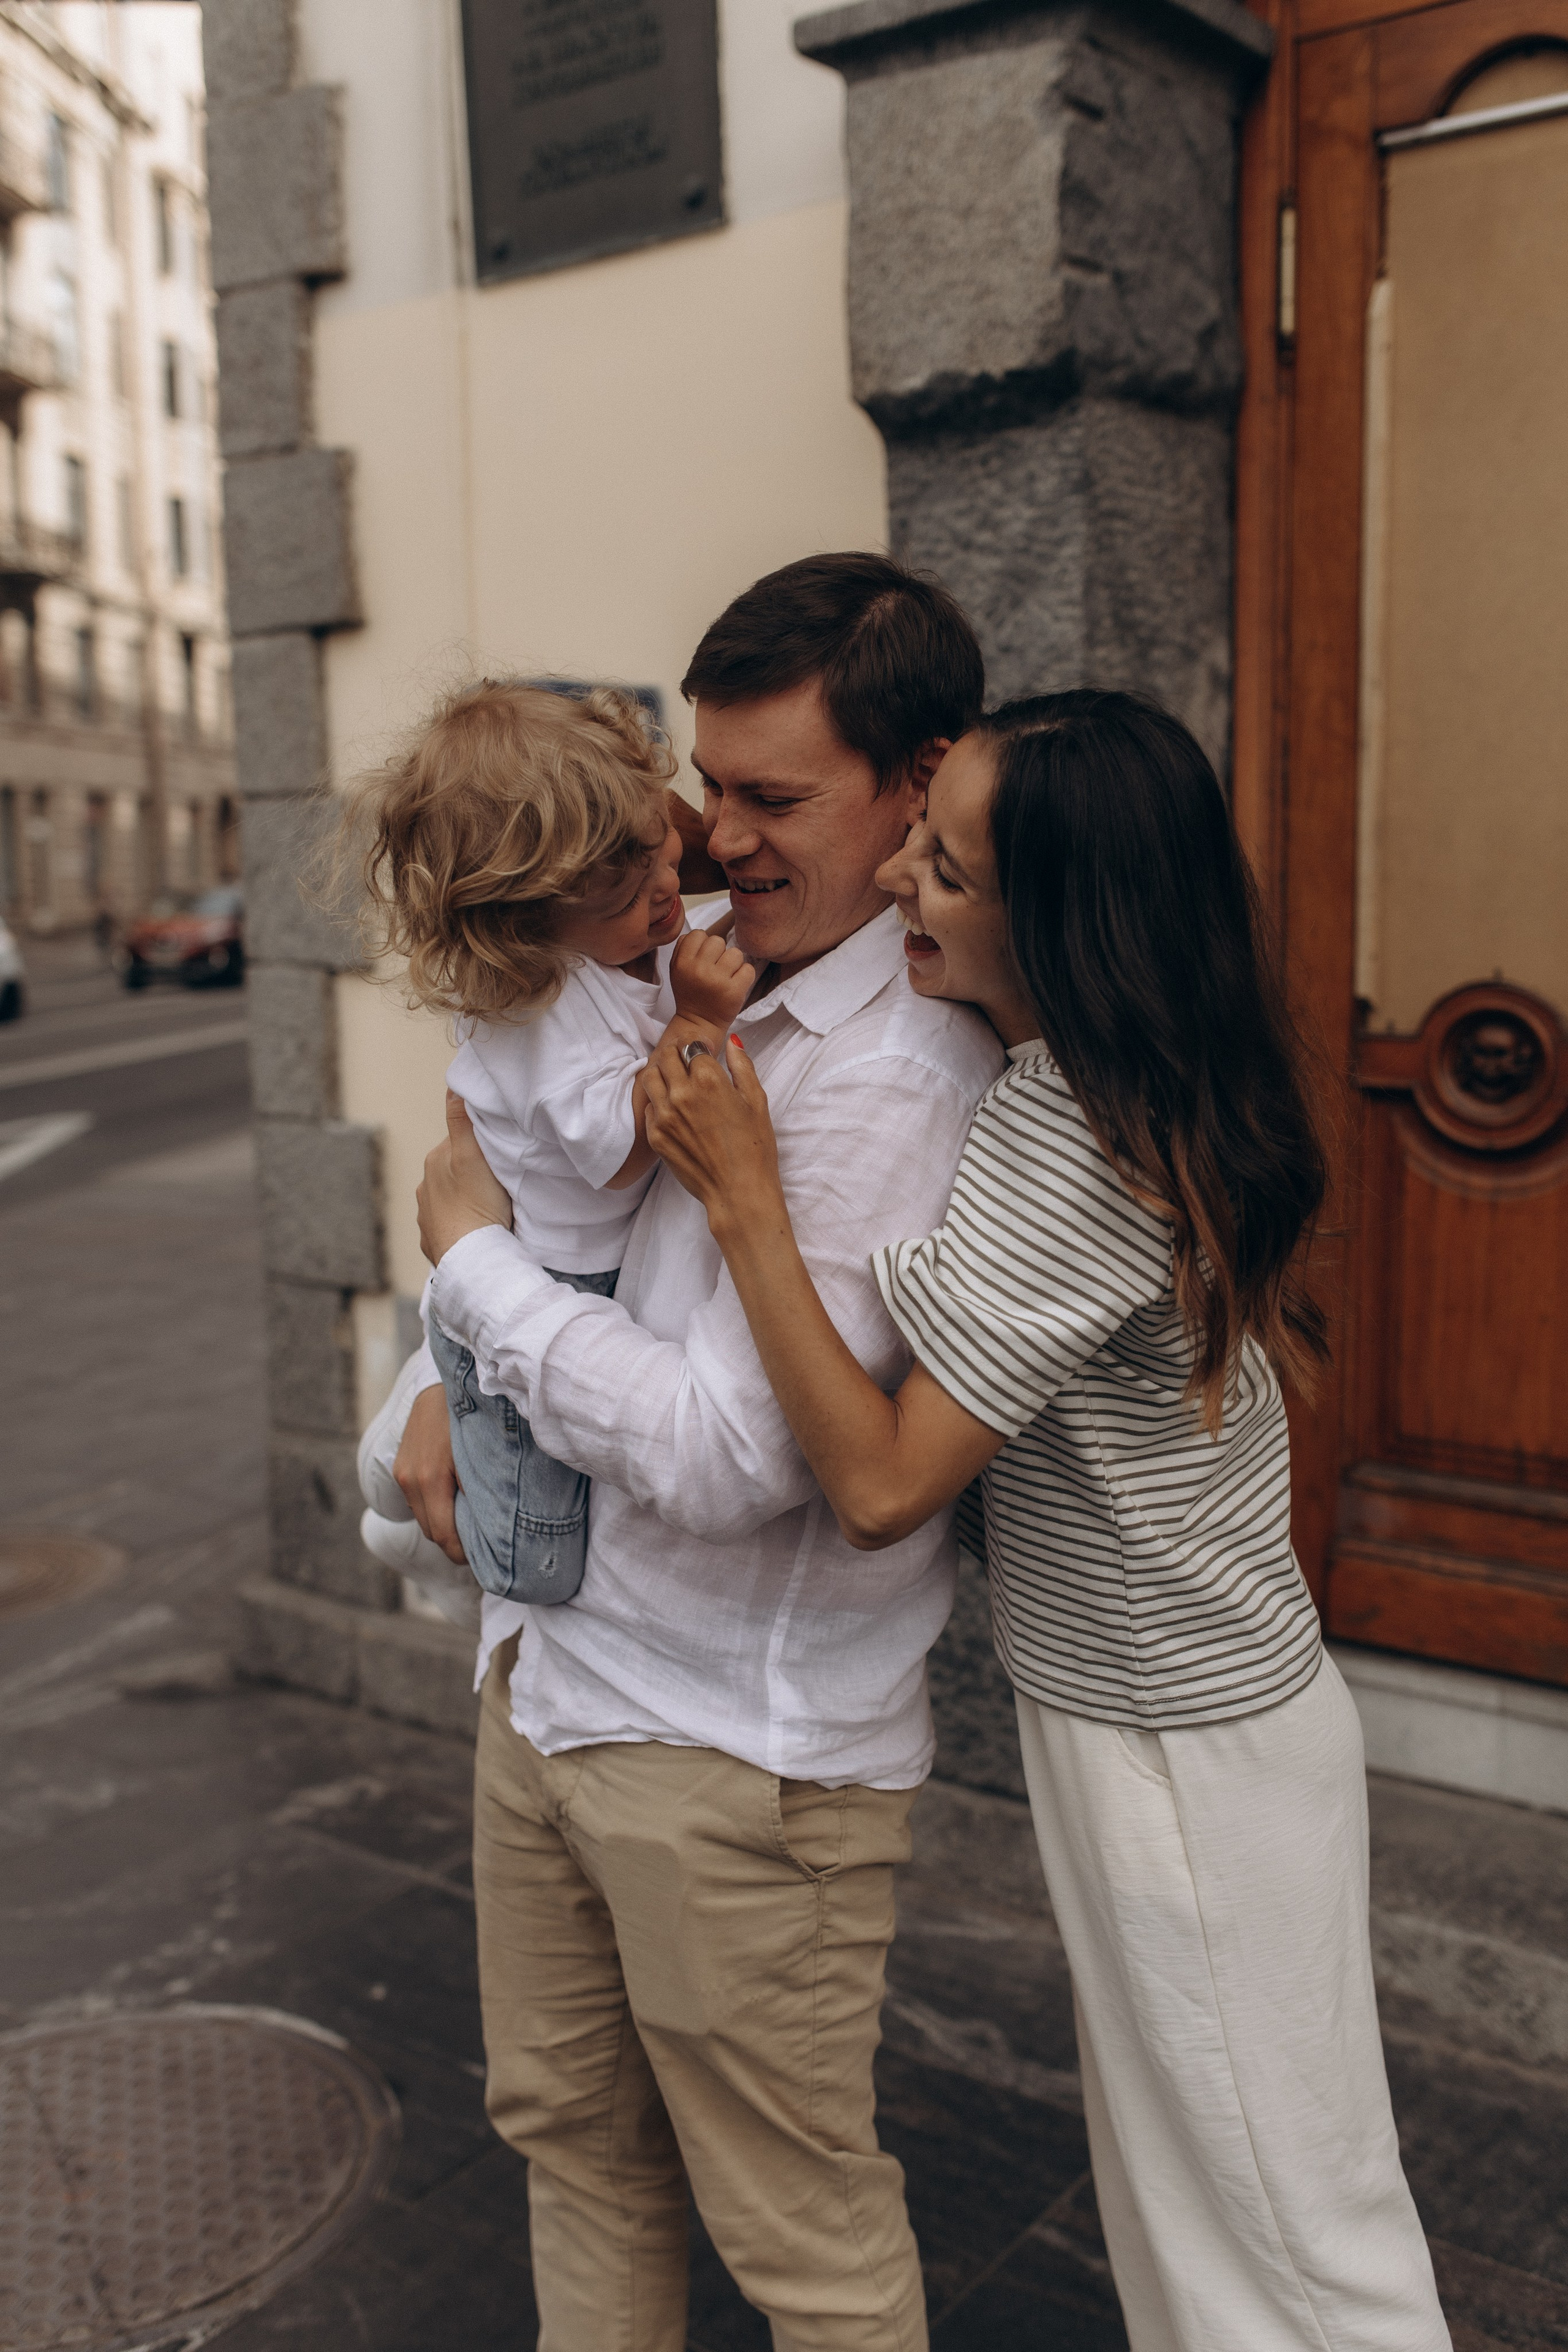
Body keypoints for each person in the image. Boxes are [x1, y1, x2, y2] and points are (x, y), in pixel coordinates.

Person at [637, 690, 1452, 2352]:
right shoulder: (1093, 1079)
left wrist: (742, 1198)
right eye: (918, 846)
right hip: (1167, 1721)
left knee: (1295, 2244)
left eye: (946, 870)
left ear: (1065, 918)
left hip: (1180, 1749)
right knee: (1192, 2207)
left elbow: (879, 1486)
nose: (903, 890)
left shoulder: (1076, 1140)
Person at [402, 553, 1003, 2351]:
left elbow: (730, 1451)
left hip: (735, 1766)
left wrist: (476, 1282)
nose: (715, 837)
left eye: (773, 799)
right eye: (710, 785)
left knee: (801, 2242)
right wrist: (437, 1373)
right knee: (572, 2150)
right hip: (552, 1680)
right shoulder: (664, 967)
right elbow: (529, 1228)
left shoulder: (896, 1078)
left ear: (920, 783)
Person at [349, 679, 753, 1615]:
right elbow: (622, 1151)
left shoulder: (614, 931)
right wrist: (696, 1017)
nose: (665, 896)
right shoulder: (546, 1005)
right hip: (554, 1280)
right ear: (525, 927)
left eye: (658, 852)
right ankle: (393, 1516)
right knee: (535, 1562)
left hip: (523, 1267)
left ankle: (416, 1461)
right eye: (625, 899)